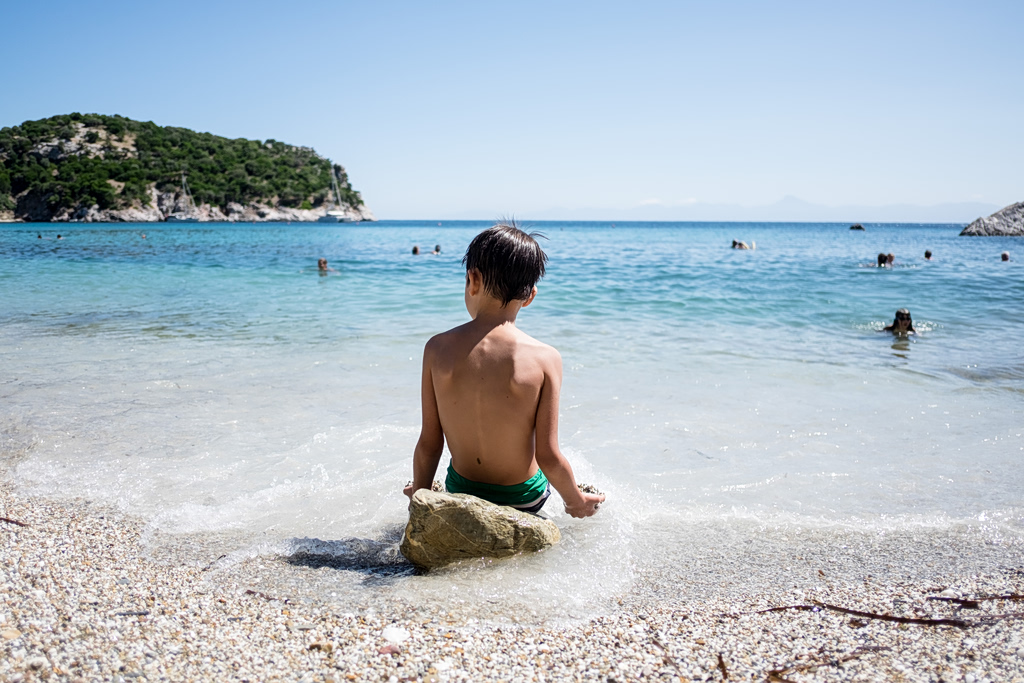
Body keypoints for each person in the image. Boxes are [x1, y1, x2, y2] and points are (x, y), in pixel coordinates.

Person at [404, 222, 604, 518]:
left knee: (446, 479)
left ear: (472, 279)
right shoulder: (545, 358)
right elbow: (548, 456)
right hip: (524, 499)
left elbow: (430, 442)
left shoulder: (436, 348)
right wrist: (574, 501)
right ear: (530, 296)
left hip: (462, 490)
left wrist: (420, 499)